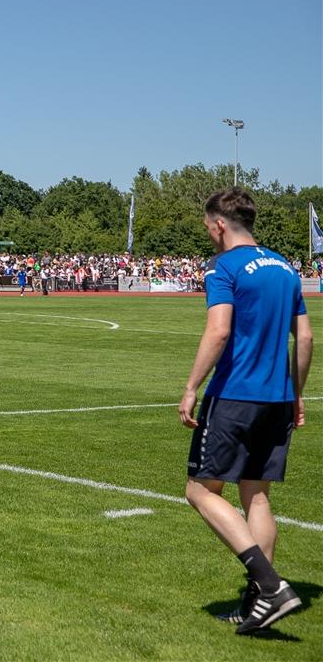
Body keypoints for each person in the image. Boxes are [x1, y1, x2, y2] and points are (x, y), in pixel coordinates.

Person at [178, 187, 310, 635]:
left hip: (235, 394)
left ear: (218, 224)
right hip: (277, 397)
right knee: (256, 495)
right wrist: (296, 393)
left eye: (207, 227)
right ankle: (258, 604)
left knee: (200, 490)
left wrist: (192, 386)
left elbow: (218, 331)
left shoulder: (223, 266)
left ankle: (270, 586)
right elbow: (306, 339)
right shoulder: (285, 267)